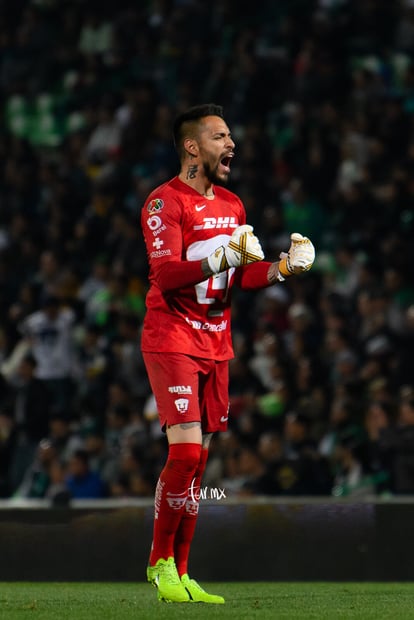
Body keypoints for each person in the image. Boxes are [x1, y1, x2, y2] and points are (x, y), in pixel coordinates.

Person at [140, 103, 315, 604]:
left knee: (200, 467)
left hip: (216, 342)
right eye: (220, 136)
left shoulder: (234, 205)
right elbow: (167, 274)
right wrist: (224, 255)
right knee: (186, 452)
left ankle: (185, 572)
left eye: (231, 136)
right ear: (192, 146)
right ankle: (159, 564)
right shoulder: (163, 203)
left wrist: (283, 267)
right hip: (172, 334)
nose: (231, 144)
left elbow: (241, 274)